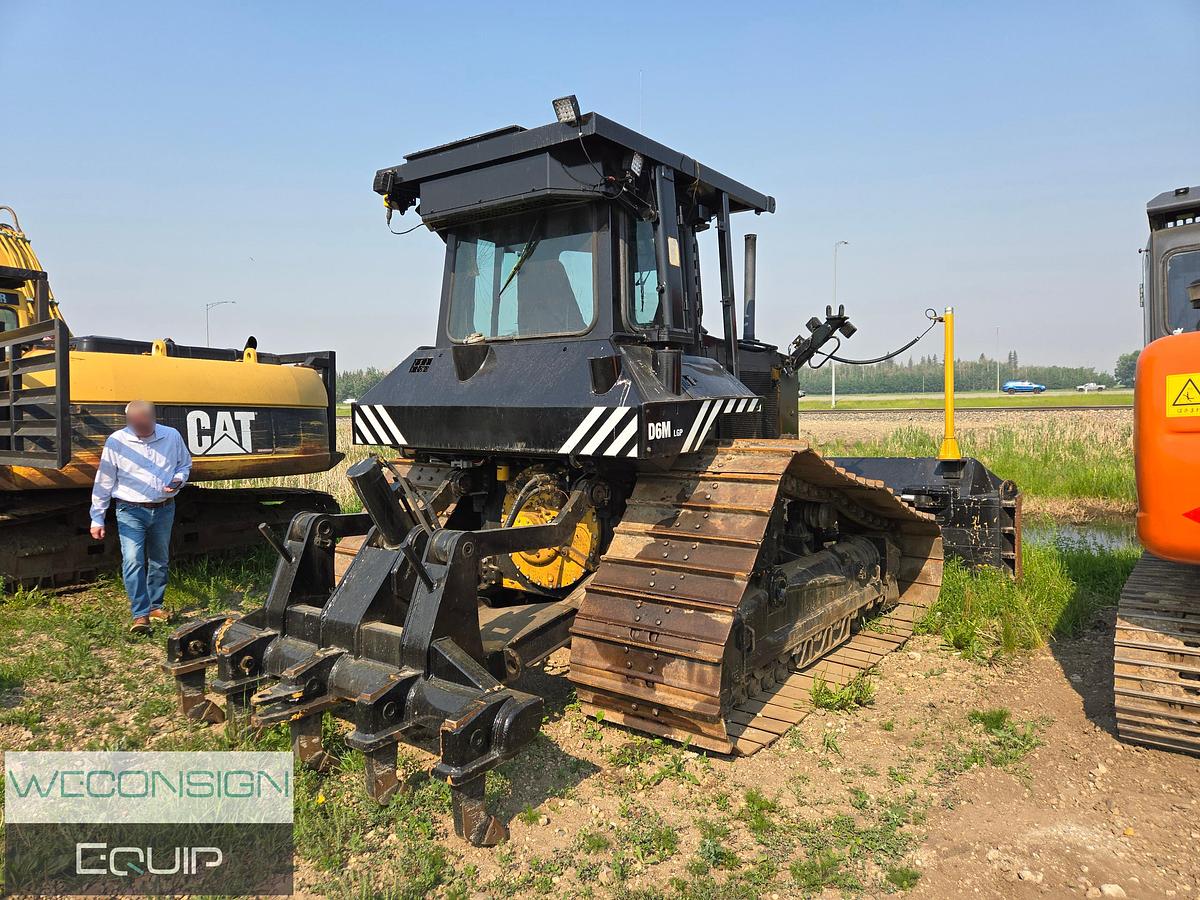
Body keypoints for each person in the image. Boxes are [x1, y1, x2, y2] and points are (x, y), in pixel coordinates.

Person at [89, 400, 191, 634]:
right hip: (130, 509)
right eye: (135, 425)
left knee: (159, 560)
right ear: (128, 421)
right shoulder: (117, 441)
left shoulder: (171, 436)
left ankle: (155, 606)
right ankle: (140, 615)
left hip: (164, 507)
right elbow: (104, 480)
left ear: (154, 419)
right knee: (133, 560)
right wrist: (97, 517)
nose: (140, 430)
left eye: (144, 426)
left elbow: (184, 465)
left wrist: (178, 480)